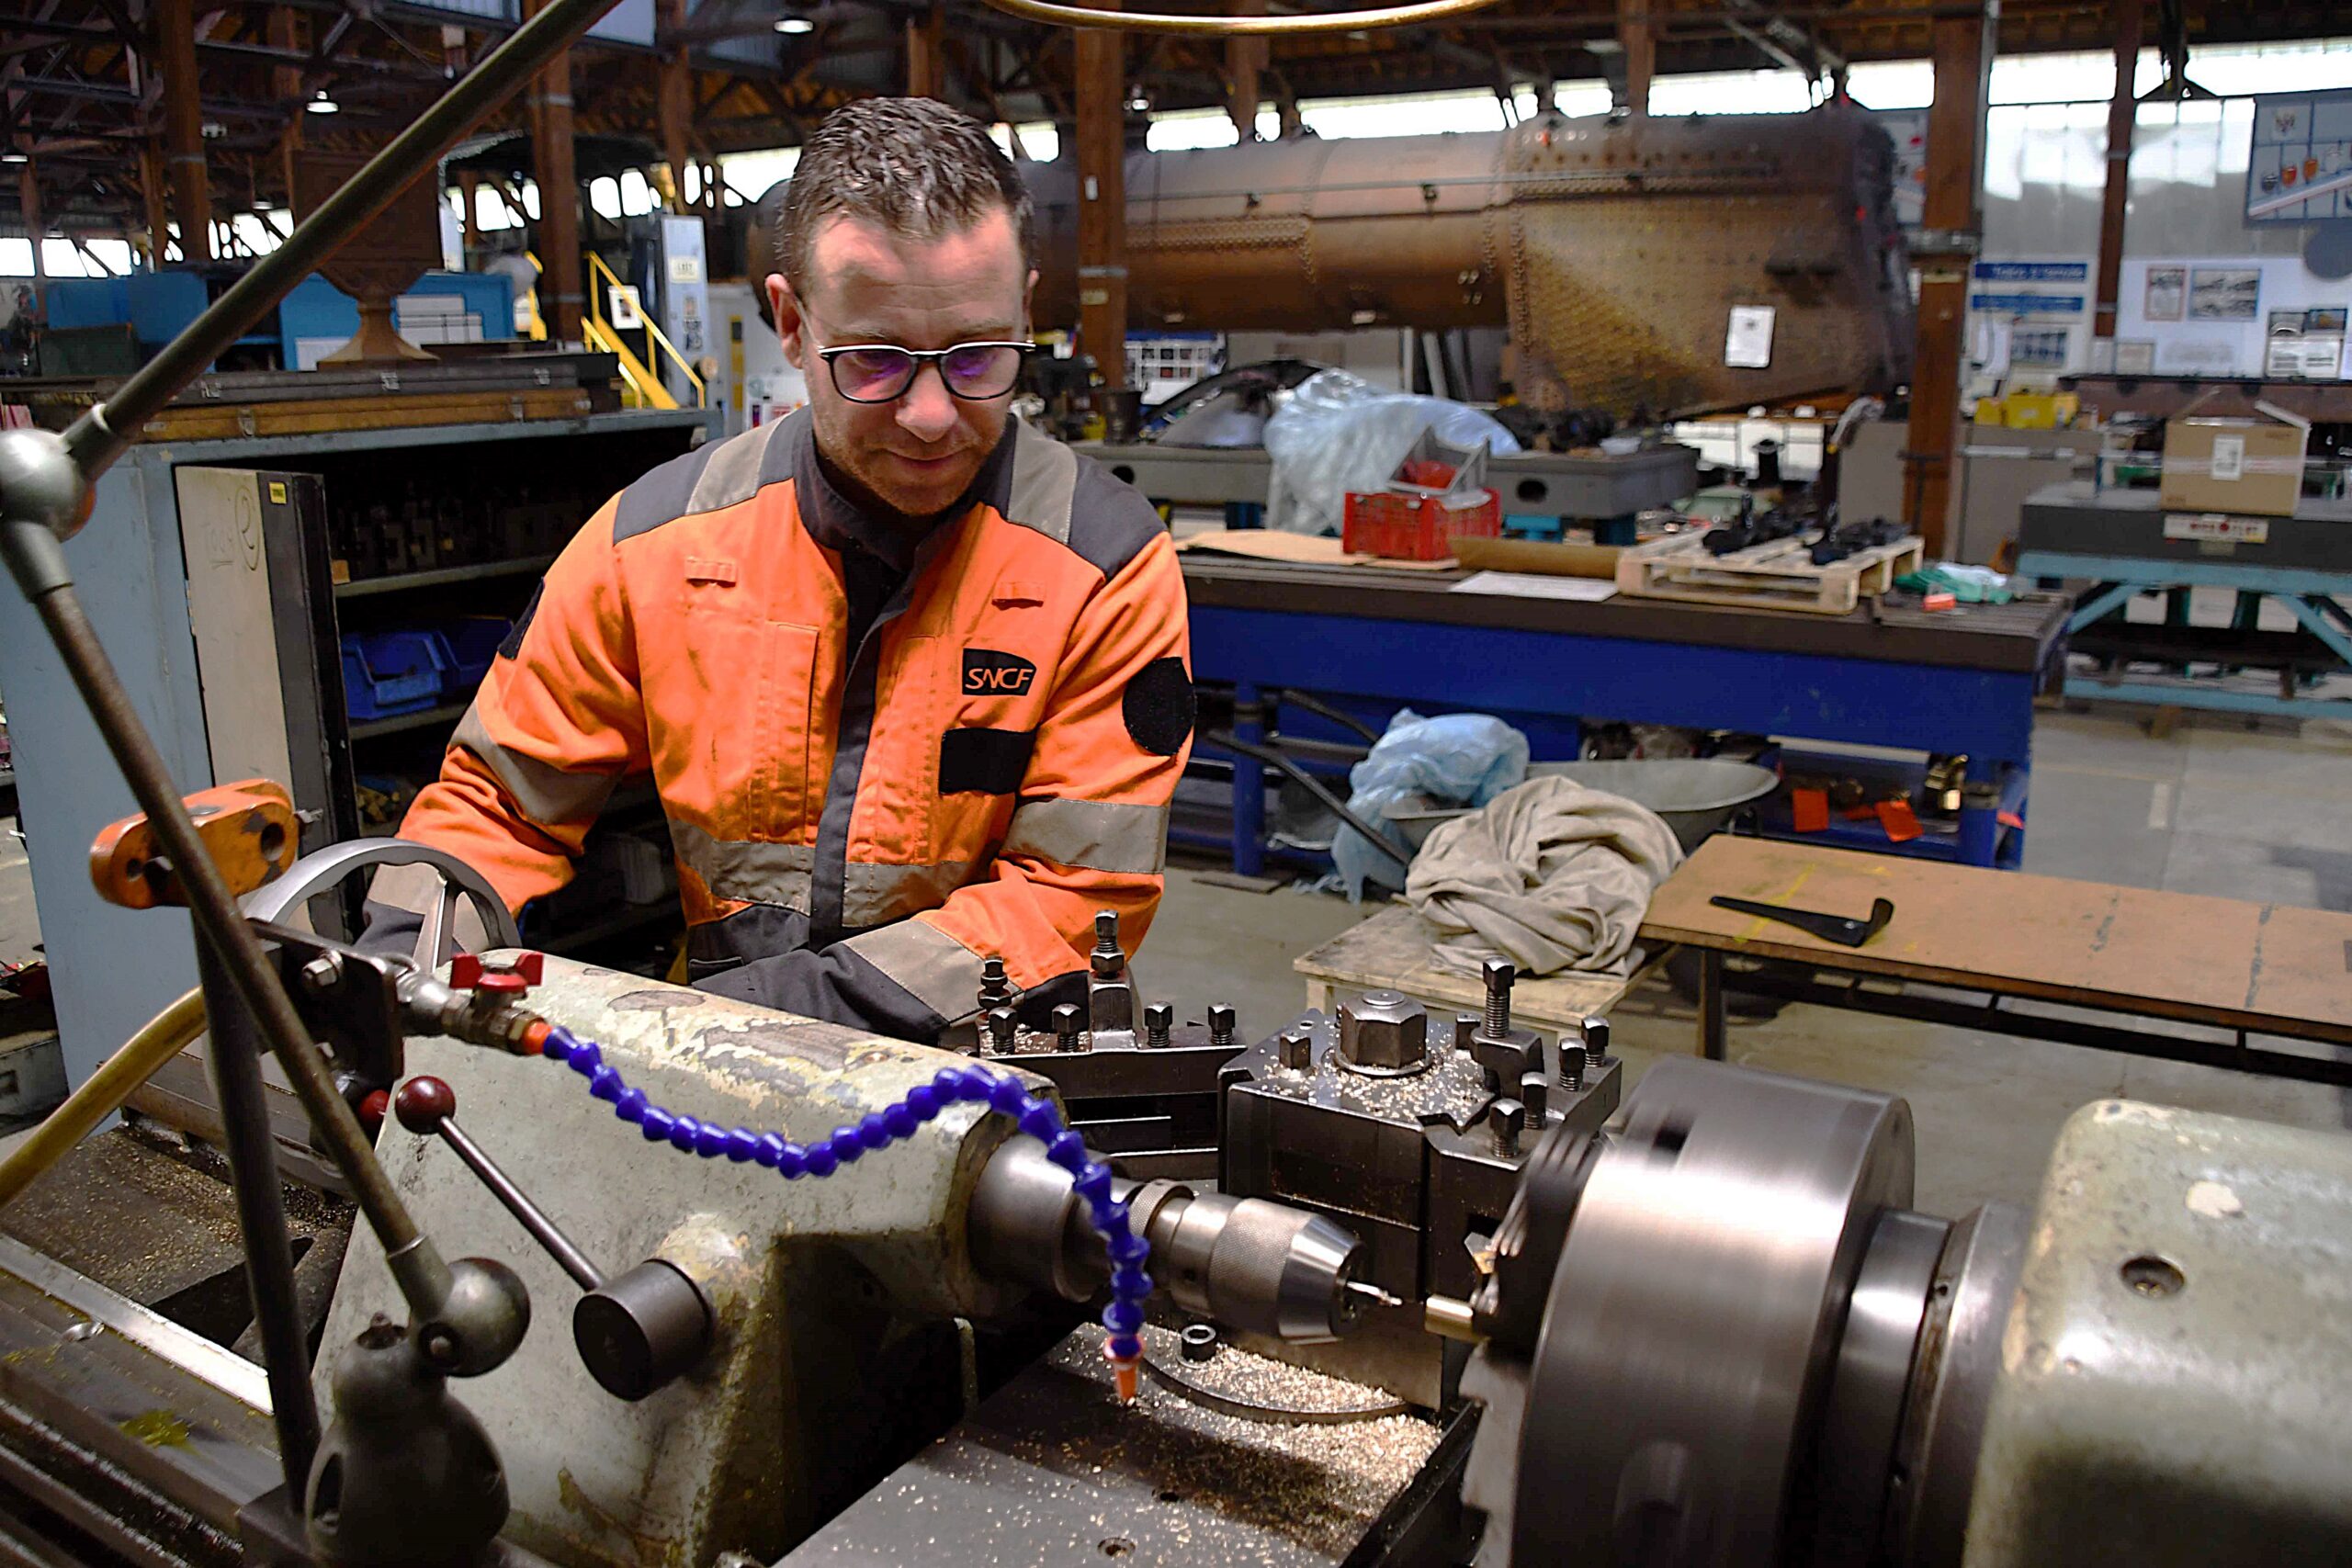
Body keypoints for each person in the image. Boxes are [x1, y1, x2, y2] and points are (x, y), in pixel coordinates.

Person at [368, 97, 1193, 1041]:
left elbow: (1072, 899)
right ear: (791, 323)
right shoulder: (655, 543)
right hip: (717, 1045)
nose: (931, 416)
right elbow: (496, 806)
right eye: (875, 362)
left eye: (976, 358)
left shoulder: (1103, 564)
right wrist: (402, 966)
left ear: (1025, 313)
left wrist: (749, 1021)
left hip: (989, 1055)